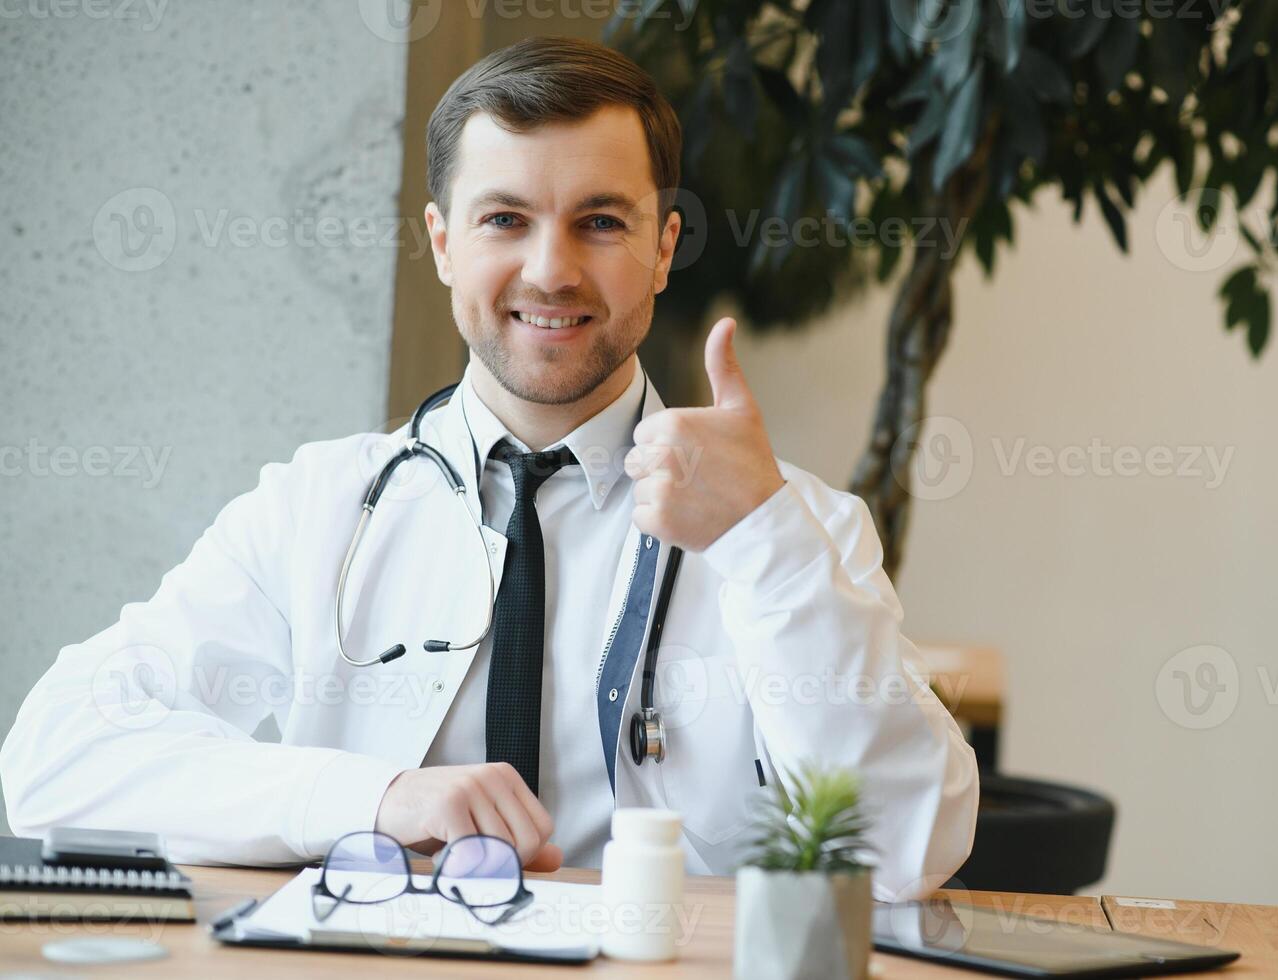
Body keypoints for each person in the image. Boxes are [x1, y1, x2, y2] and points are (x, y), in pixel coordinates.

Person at [0, 35, 977, 901]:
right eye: (504, 218)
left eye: (601, 221)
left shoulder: (793, 521)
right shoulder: (316, 507)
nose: (551, 270)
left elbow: (904, 848)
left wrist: (766, 539)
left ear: (666, 244)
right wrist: (373, 796)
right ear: (441, 242)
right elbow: (54, 756)